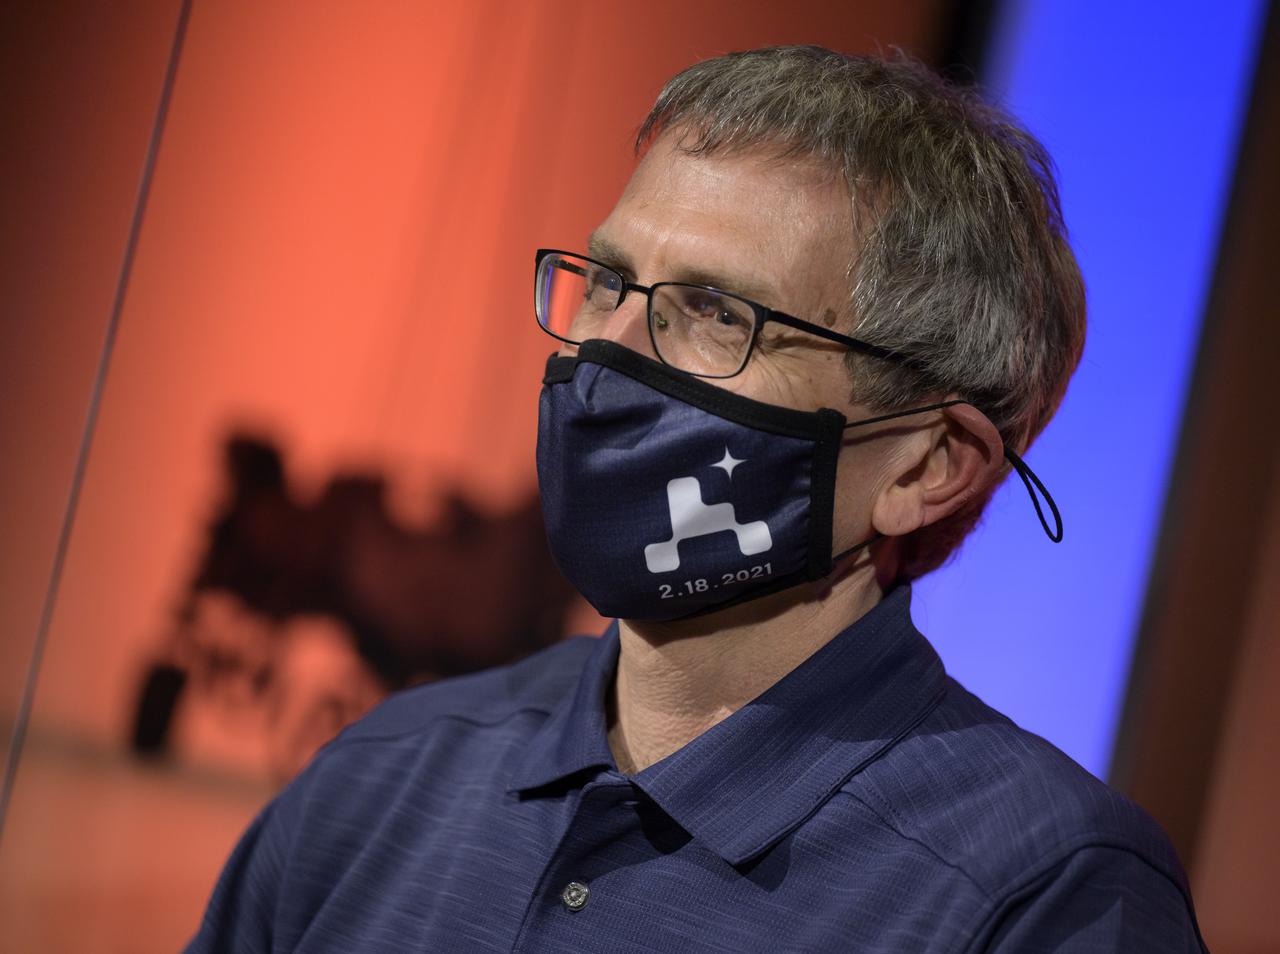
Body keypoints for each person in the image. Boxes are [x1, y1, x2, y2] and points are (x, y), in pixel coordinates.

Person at [186, 46, 1206, 952]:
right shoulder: (379, 777)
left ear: (922, 466)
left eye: (714, 312)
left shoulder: (1043, 899)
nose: (602, 357)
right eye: (608, 282)